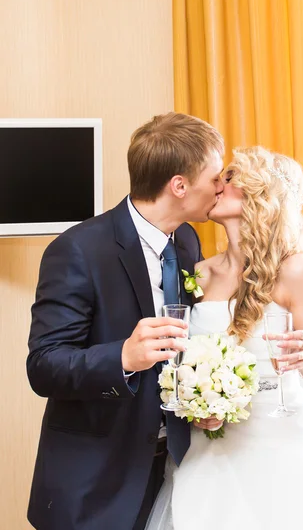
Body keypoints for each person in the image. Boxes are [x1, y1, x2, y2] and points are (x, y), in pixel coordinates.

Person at [147, 146, 303, 530]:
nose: (216, 185)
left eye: (228, 178)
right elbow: (184, 358)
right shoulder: (199, 272)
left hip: (285, 449)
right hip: (211, 459)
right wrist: (197, 406)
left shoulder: (294, 271)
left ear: (257, 194)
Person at [26, 112, 225, 530]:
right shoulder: (78, 250)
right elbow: (44, 366)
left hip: (174, 469)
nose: (221, 186)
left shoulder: (187, 240)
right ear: (179, 185)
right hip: (97, 481)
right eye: (215, 176)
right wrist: (123, 357)